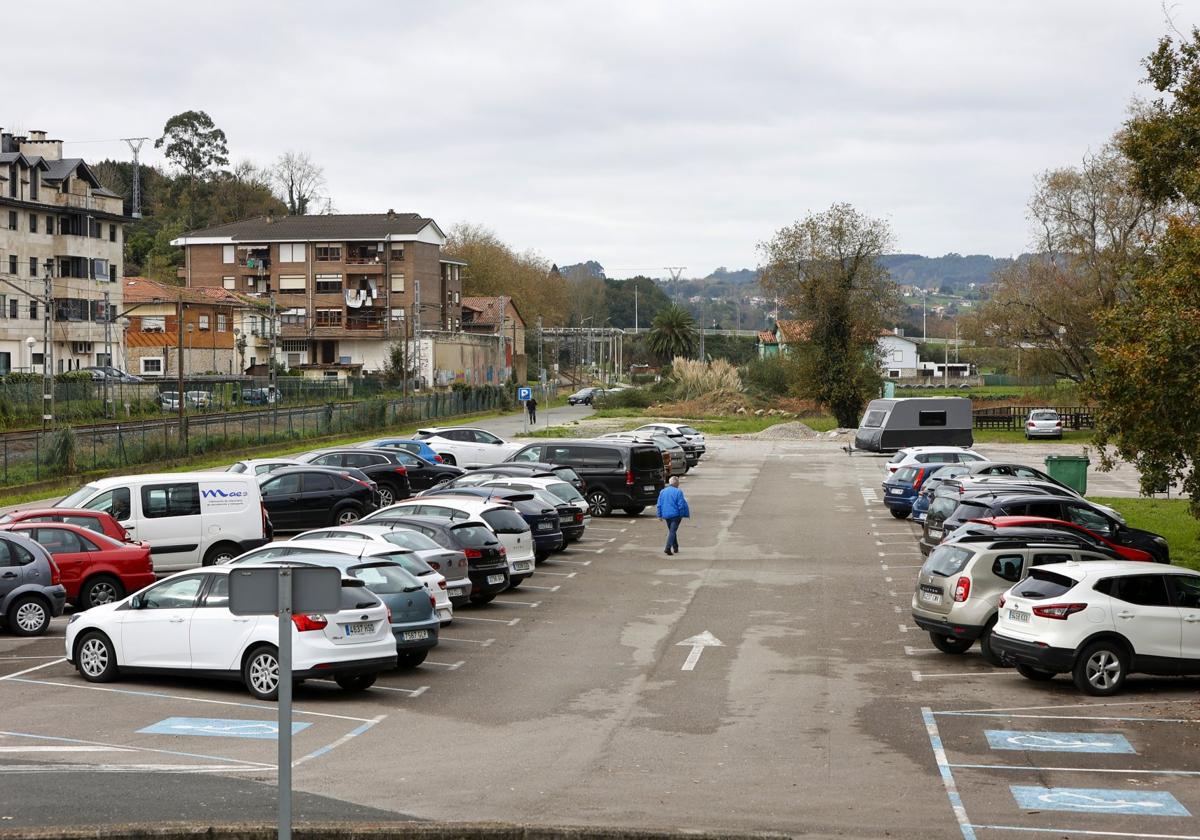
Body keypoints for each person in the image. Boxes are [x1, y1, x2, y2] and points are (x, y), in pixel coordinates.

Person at [656, 475, 690, 555]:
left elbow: (659, 504)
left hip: (666, 515)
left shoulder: (663, 491)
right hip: (675, 515)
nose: (679, 484)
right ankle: (668, 548)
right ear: (676, 483)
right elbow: (681, 505)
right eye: (678, 483)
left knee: (672, 531)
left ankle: (675, 547)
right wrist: (681, 514)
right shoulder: (678, 492)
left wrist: (659, 515)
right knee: (672, 531)